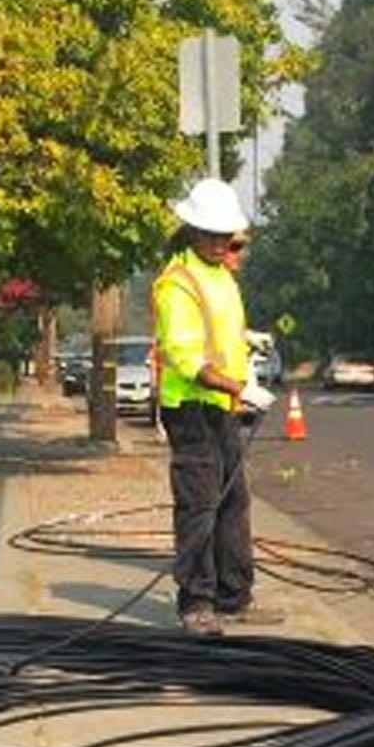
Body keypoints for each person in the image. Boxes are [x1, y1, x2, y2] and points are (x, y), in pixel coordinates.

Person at [153, 177, 280, 636]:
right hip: (191, 407)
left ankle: (233, 596)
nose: (225, 244)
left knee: (233, 501)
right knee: (200, 505)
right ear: (194, 232)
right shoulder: (177, 284)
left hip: (219, 405)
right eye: (216, 236)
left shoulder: (221, 275)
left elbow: (219, 329)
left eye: (228, 236)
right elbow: (185, 355)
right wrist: (237, 387)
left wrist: (247, 339)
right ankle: (196, 603)